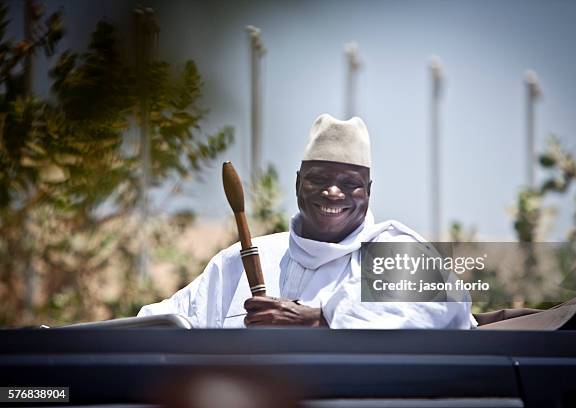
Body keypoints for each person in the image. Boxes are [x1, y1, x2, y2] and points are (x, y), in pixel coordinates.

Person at [138, 113, 474, 329]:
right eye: (318, 179)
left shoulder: (394, 249)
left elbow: (425, 315)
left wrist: (316, 320)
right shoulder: (238, 261)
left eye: (348, 183)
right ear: (298, 182)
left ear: (368, 191)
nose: (332, 192)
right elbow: (165, 323)